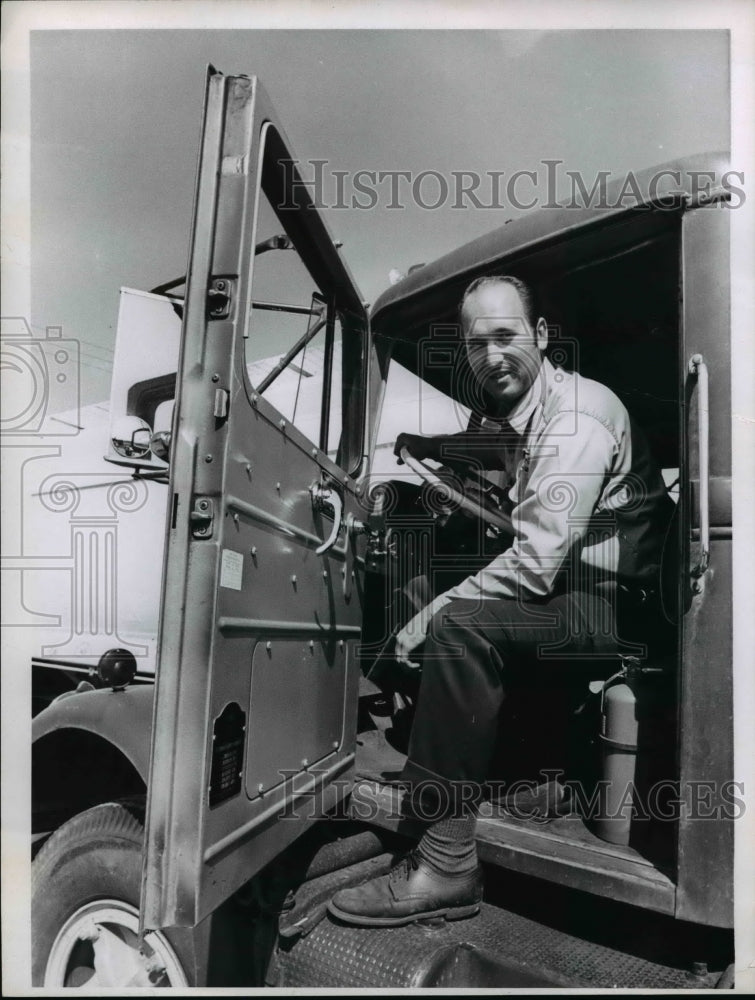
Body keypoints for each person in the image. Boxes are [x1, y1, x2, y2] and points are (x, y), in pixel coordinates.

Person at [328, 274, 675, 928]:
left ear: (540, 337)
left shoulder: (578, 416)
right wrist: (433, 448)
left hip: (614, 603)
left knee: (458, 622)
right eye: (476, 343)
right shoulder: (534, 412)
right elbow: (499, 451)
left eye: (506, 336)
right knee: (423, 587)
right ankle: (430, 749)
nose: (491, 356)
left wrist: (428, 620)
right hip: (577, 590)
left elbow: (538, 560)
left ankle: (445, 862)